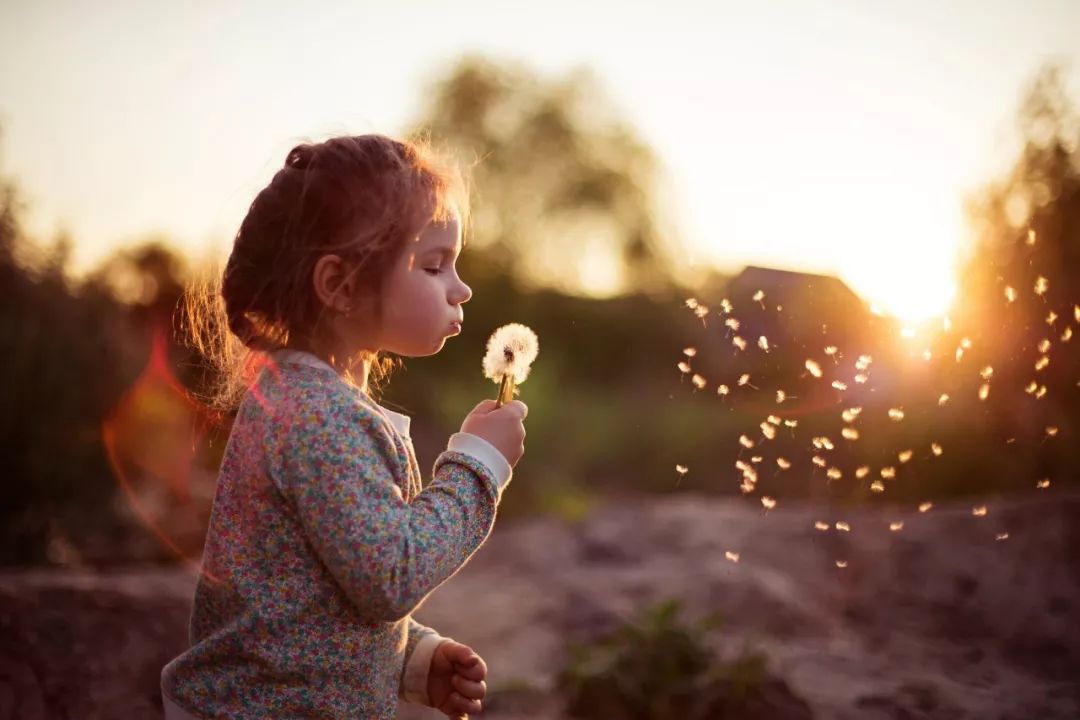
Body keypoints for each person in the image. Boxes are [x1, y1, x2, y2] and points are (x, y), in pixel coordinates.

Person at [160, 134, 528, 719]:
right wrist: (478, 466)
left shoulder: (304, 399)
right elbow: (389, 574)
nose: (461, 288)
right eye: (434, 265)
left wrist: (411, 658)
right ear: (340, 286)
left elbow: (308, 590)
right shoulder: (318, 417)